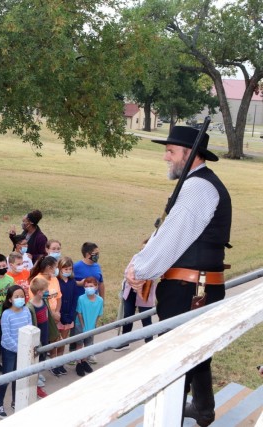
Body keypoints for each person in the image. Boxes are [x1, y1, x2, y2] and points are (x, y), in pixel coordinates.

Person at [125, 126, 231, 427]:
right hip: (193, 287)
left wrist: (139, 269)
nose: (165, 157)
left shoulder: (199, 187)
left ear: (190, 154)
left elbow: (173, 235)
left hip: (190, 290)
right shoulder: (197, 184)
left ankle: (167, 419)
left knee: (176, 356)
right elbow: (168, 229)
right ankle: (203, 408)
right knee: (194, 350)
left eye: (171, 151)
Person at [0, 285, 31, 418]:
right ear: (10, 299)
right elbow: (6, 336)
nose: (20, 298)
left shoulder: (26, 310)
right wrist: (19, 348)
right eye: (16, 296)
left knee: (19, 376)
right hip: (10, 350)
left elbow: (29, 329)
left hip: (23, 350)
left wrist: (26, 347)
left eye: (22, 296)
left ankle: (16, 401)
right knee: (7, 377)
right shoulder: (6, 314)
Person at [26, 276, 58, 392]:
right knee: (36, 357)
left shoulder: (44, 301)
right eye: (45, 290)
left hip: (45, 333)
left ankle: (38, 373)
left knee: (43, 355)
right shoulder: (30, 307)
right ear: (39, 292)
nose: (47, 291)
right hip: (37, 336)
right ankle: (35, 376)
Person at [74, 277, 103, 377]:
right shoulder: (81, 298)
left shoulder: (100, 300)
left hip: (91, 326)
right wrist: (83, 326)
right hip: (80, 326)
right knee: (79, 344)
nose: (88, 288)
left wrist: (94, 325)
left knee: (88, 344)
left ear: (96, 287)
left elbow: (99, 314)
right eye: (86, 286)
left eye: (91, 286)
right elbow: (79, 313)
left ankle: (84, 361)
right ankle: (78, 363)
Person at [55, 257, 77, 374]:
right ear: (59, 269)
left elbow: (74, 299)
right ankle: (54, 364)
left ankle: (60, 362)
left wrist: (71, 315)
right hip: (59, 316)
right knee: (56, 341)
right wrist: (62, 315)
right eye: (65, 269)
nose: (68, 271)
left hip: (69, 317)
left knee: (63, 340)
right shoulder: (56, 281)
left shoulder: (72, 282)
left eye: (70, 269)